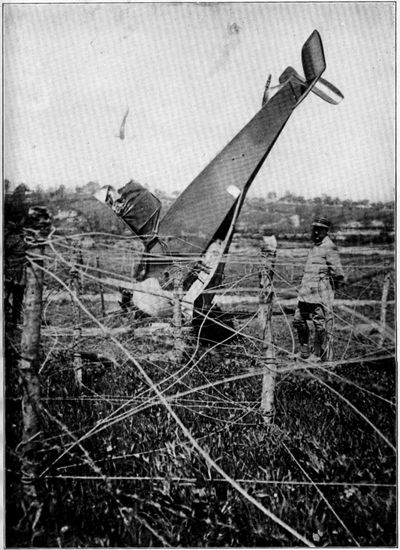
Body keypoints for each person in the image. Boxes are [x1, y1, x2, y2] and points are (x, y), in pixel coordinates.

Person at [293, 216, 345, 361]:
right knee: (298, 320)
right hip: (305, 292)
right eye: (314, 229)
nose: (316, 232)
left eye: (319, 230)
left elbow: (338, 273)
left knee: (319, 325)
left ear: (326, 231)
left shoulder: (329, 247)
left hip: (319, 294)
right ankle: (304, 351)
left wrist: (328, 287)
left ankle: (317, 353)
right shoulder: (315, 246)